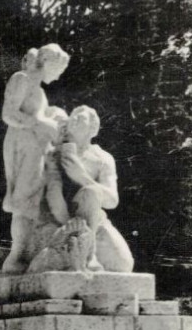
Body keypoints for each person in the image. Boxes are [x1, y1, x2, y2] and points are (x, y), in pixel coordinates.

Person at [0, 44, 70, 275]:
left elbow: (44, 119)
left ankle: (29, 251)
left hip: (39, 148)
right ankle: (16, 255)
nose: (59, 76)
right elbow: (9, 114)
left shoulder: (40, 92)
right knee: (23, 200)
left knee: (35, 201)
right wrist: (42, 124)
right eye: (59, 70)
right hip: (23, 145)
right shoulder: (21, 79)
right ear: (49, 63)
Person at [44, 105, 134, 273]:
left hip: (95, 220)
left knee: (123, 265)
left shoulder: (103, 158)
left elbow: (112, 201)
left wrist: (82, 177)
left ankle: (88, 248)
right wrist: (68, 224)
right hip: (61, 219)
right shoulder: (55, 154)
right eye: (73, 116)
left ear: (92, 128)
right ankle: (88, 257)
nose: (74, 119)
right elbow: (53, 192)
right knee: (91, 192)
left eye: (81, 118)